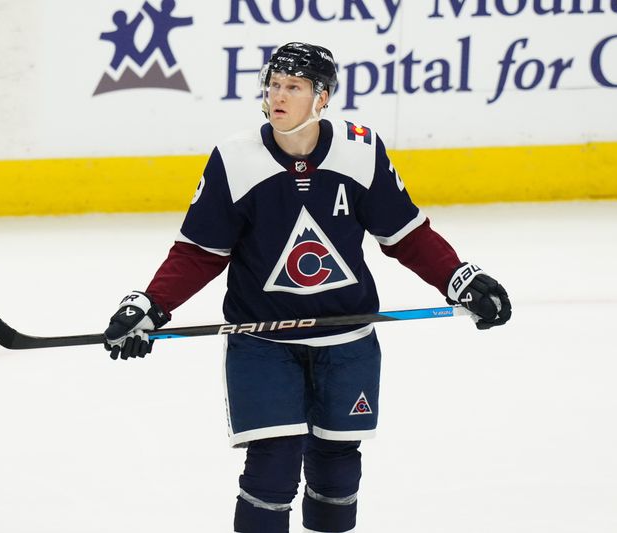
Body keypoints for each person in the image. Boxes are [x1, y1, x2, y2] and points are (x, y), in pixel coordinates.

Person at [103, 42, 512, 533]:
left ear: (322, 97)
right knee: (272, 465)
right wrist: (150, 304)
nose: (277, 96)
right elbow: (200, 251)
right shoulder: (236, 159)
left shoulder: (360, 150)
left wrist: (460, 278)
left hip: (346, 340)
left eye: (293, 87)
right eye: (273, 85)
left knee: (338, 468)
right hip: (263, 340)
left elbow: (405, 234)